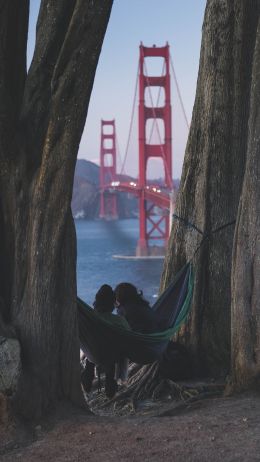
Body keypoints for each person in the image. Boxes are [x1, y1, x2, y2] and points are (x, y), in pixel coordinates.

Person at [81, 284, 130, 398]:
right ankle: (113, 385)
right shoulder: (119, 321)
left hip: (92, 354)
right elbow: (130, 336)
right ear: (112, 304)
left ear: (96, 302)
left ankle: (88, 378)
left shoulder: (88, 318)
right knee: (114, 353)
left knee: (92, 349)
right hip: (112, 356)